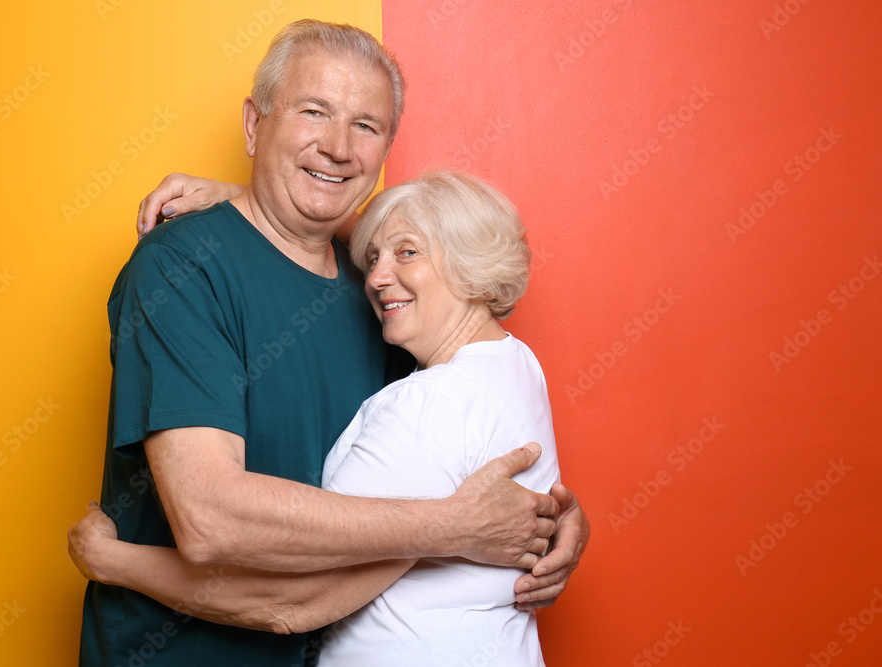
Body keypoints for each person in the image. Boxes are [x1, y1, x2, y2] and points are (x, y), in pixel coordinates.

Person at [76, 19, 587, 667]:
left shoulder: (385, 294)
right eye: (314, 111)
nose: (340, 147)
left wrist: (551, 519)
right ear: (254, 125)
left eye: (366, 126)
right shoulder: (182, 269)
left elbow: (469, 429)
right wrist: (459, 528)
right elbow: (210, 519)